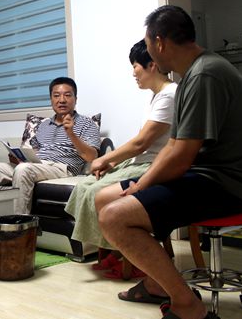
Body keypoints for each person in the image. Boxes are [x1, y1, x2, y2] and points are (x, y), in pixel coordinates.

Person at [96, 5, 242, 319]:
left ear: (159, 43)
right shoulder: (192, 76)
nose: (148, 54)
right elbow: (174, 146)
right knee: (107, 199)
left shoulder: (205, 74)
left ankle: (187, 305)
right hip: (205, 176)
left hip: (226, 185)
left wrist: (140, 187)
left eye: (148, 46)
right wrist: (141, 184)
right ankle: (159, 284)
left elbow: (181, 155)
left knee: (114, 217)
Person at [64, 40, 176, 273]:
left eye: (135, 66)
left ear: (152, 65)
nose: (133, 73)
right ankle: (115, 251)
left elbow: (142, 142)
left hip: (153, 166)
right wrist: (114, 160)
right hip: (141, 160)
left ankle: (130, 257)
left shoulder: (169, 95)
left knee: (96, 192)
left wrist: (105, 158)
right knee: (84, 186)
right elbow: (141, 141)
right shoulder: (156, 96)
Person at [0, 77, 100, 214]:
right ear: (51, 99)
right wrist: (19, 158)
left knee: (24, 169)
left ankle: (20, 223)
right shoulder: (44, 124)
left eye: (67, 95)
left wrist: (71, 133)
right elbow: (35, 152)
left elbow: (92, 156)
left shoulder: (87, 123)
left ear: (75, 99)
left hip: (62, 168)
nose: (62, 100)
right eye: (56, 95)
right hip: (37, 166)